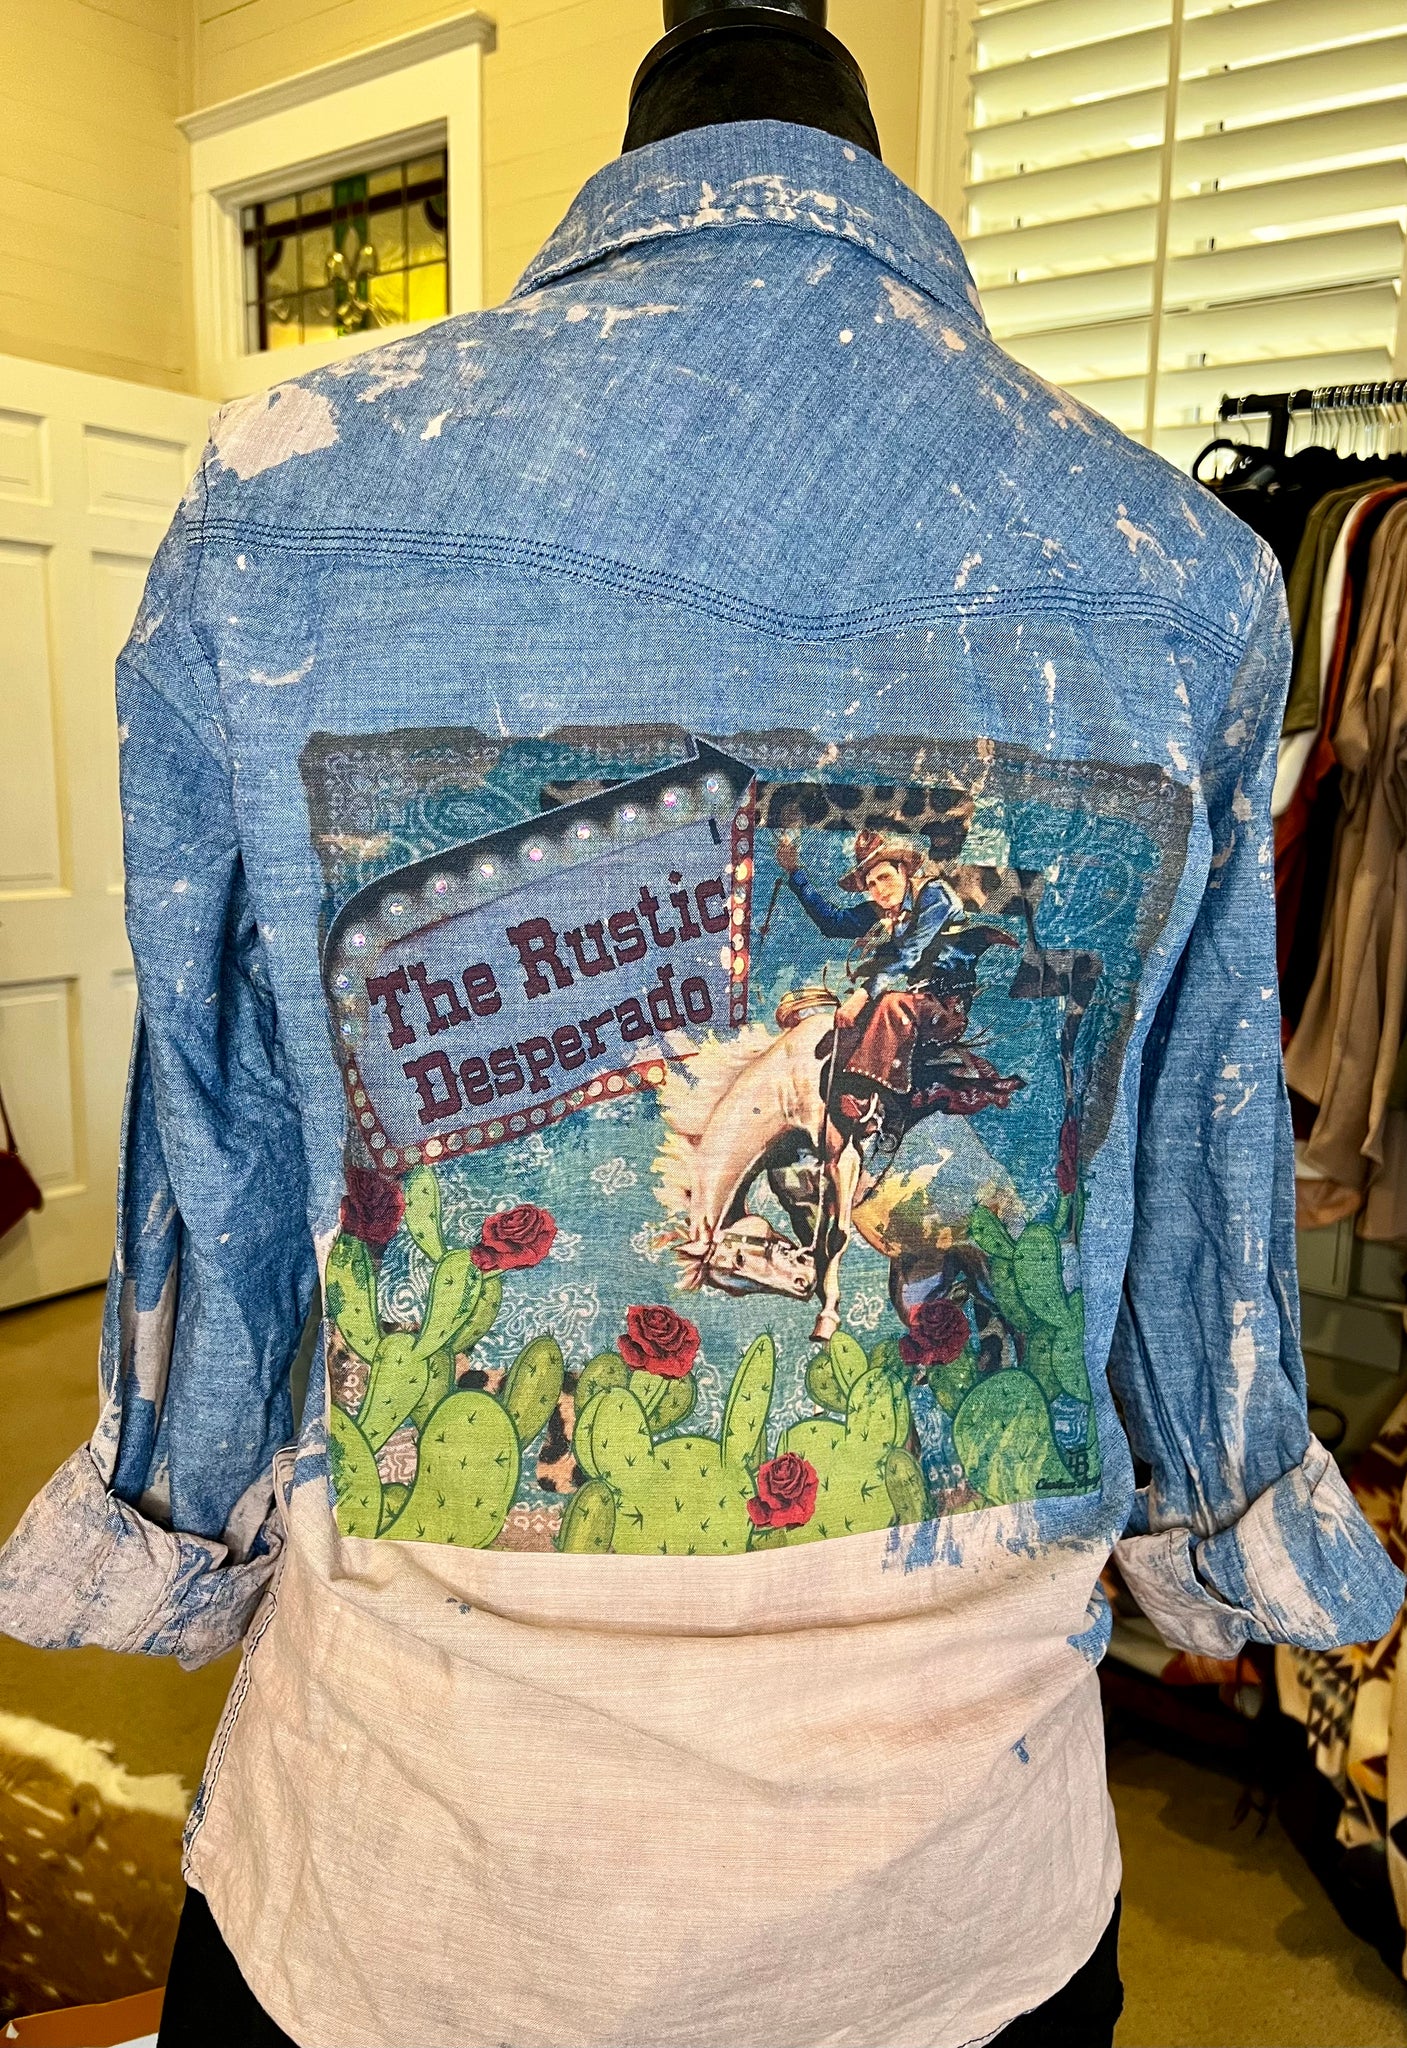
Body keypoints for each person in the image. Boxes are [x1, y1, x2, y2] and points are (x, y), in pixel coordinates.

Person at [778, 826, 1023, 1154]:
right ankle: (856, 1112)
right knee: (839, 1038)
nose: (879, 890)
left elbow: (909, 954)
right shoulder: (883, 912)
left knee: (890, 1005)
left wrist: (862, 995)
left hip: (945, 1008)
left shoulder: (935, 896)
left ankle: (885, 1106)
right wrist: (794, 873)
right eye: (871, 884)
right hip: (914, 1003)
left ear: (904, 871)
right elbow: (833, 923)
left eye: (885, 877)